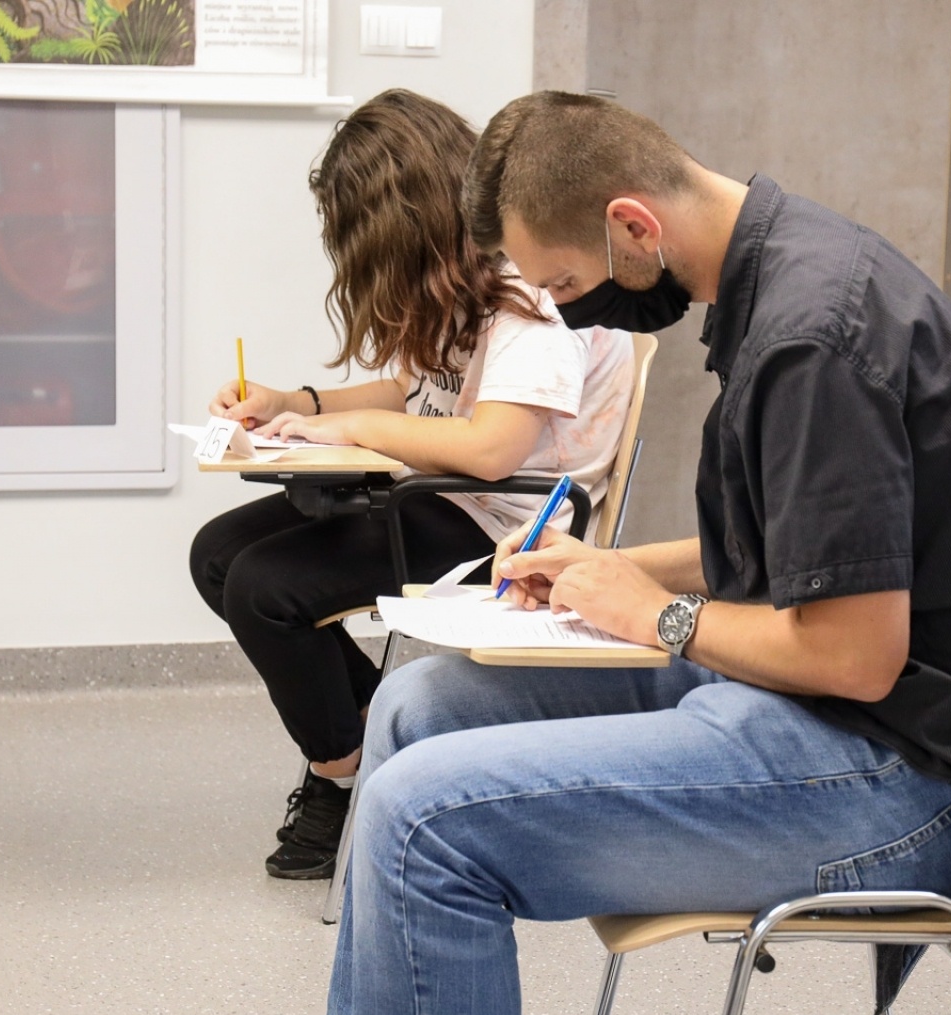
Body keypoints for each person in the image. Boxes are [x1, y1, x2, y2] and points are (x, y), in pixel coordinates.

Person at [321, 92, 951, 1015]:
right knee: (417, 702)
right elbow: (805, 550)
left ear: (632, 225)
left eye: (564, 279)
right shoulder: (774, 272)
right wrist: (607, 566)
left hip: (912, 776)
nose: (562, 305)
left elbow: (853, 654)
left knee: (417, 816)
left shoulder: (810, 339)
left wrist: (659, 614)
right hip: (825, 704)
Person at [189, 89, 633, 881]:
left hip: (505, 527)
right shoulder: (464, 289)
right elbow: (416, 396)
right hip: (440, 494)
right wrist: (298, 406)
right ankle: (367, 735)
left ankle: (342, 774)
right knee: (218, 553)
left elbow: (494, 448)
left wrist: (351, 432)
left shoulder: (528, 294)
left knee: (264, 587)